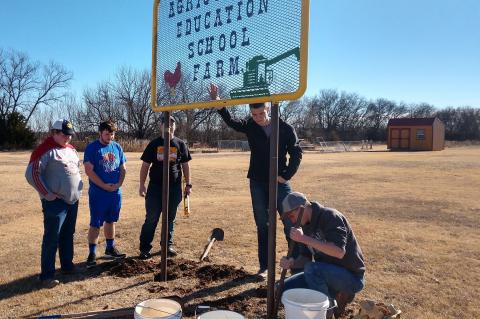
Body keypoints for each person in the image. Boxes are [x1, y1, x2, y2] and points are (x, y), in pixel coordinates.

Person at [208, 84, 303, 278]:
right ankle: (265, 267)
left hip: (279, 183)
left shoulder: (285, 128)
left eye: (261, 113)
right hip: (257, 182)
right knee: (263, 224)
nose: (258, 118)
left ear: (268, 108)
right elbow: (232, 122)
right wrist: (219, 103)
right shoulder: (251, 126)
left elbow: (296, 152)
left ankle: (296, 267)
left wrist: (286, 175)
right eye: (254, 115)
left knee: (290, 224)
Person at [279, 192, 365, 319]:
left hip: (351, 277)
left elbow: (339, 252)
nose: (291, 220)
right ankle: (332, 297)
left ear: (302, 208)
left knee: (312, 269)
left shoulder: (330, 216)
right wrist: (292, 262)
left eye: (291, 215)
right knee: (282, 289)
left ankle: (328, 311)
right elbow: (305, 258)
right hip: (323, 274)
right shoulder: (303, 227)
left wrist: (304, 239)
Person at [25, 119, 83, 288]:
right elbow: (32, 174)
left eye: (70, 135)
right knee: (52, 238)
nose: (68, 138)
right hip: (55, 203)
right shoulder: (44, 150)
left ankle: (67, 266)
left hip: (72, 201)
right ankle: (47, 276)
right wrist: (47, 194)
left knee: (68, 234)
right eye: (64, 134)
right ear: (54, 133)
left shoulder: (71, 149)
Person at [138, 115, 192, 259]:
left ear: (175, 126)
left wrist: (188, 184)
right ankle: (145, 248)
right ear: (161, 126)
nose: (170, 126)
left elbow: (185, 165)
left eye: (172, 123)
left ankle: (167, 245)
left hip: (174, 188)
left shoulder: (180, 144)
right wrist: (142, 185)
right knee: (152, 218)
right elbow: (145, 165)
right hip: (155, 188)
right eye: (166, 123)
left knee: (170, 218)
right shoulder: (154, 144)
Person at [83, 120, 127, 268]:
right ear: (100, 133)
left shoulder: (117, 147)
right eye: (107, 134)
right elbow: (89, 171)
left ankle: (110, 248)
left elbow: (123, 168)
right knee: (95, 223)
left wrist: (118, 184)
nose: (110, 137)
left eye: (112, 134)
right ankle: (92, 254)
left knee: (111, 220)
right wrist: (104, 186)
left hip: (114, 193)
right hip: (98, 193)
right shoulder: (92, 148)